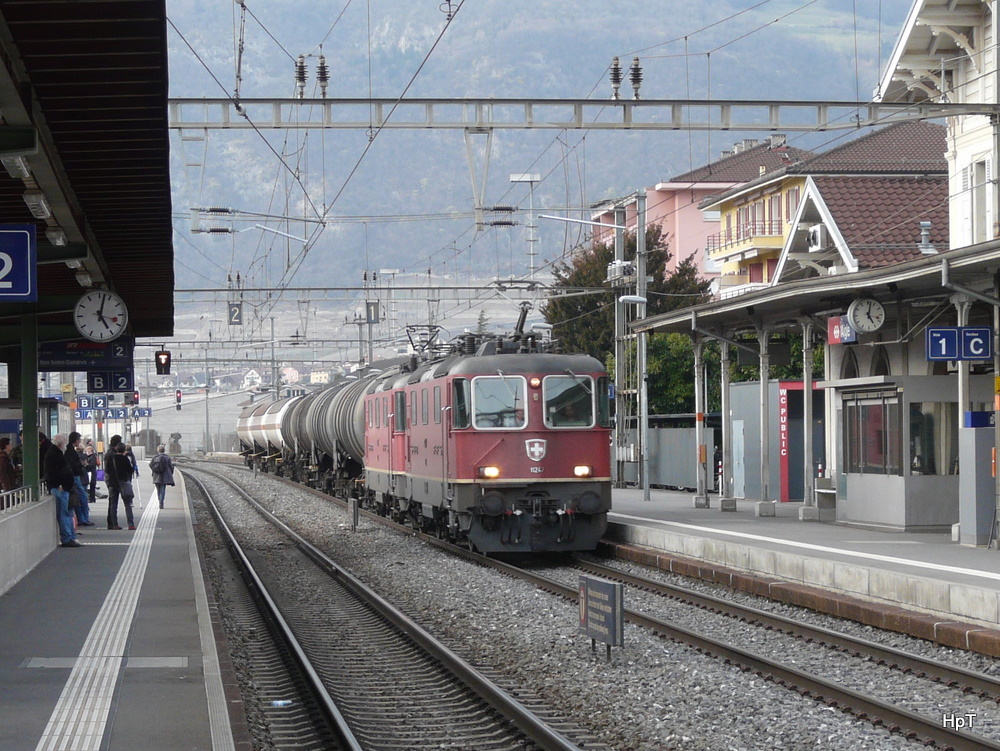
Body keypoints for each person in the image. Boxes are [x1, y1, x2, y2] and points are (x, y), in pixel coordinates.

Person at [45, 434, 80, 548]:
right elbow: (57, 473)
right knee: (64, 514)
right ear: (61, 443)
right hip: (60, 488)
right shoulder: (56, 455)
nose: (65, 444)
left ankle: (71, 537)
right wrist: (61, 485)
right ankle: (67, 538)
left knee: (67, 513)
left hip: (62, 487)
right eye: (64, 442)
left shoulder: (55, 454)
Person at [65, 432, 94, 526]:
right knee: (82, 496)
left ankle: (82, 518)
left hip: (72, 476)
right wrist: (81, 466)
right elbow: (74, 464)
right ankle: (83, 518)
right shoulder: (71, 451)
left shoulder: (68, 450)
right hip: (74, 476)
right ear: (76, 440)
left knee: (78, 497)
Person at [108, 442, 136, 530]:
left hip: (113, 483)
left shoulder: (110, 458)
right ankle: (130, 524)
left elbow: (107, 470)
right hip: (123, 483)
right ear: (124, 450)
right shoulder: (125, 459)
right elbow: (130, 470)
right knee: (127, 504)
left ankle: (114, 524)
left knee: (113, 504)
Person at [104, 434, 124, 529]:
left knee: (112, 502)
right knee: (113, 503)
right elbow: (111, 469)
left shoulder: (109, 453)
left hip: (110, 480)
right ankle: (113, 523)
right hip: (113, 481)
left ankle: (111, 523)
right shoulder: (112, 455)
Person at [149, 444, 175, 509]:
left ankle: (159, 501)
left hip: (156, 475)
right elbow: (171, 467)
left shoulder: (155, 457)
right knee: (163, 489)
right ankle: (161, 502)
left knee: (158, 490)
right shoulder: (167, 457)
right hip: (165, 476)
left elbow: (150, 465)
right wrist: (171, 473)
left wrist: (154, 470)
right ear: (164, 450)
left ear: (158, 450)